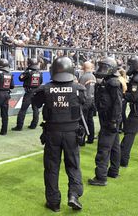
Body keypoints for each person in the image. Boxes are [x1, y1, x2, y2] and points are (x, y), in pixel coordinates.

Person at [31, 56, 86, 212]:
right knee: (73, 165)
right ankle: (74, 195)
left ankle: (54, 202)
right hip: (72, 133)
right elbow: (87, 104)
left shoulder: (45, 89)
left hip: (52, 132)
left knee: (51, 167)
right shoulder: (78, 89)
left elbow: (35, 103)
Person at [88, 57, 123, 186]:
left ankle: (101, 177)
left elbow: (117, 104)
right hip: (110, 119)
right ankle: (113, 171)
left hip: (110, 119)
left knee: (103, 147)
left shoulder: (113, 83)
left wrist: (113, 120)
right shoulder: (108, 81)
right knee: (114, 146)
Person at [13, 57, 43, 131]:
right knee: (35, 109)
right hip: (37, 92)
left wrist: (25, 71)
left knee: (23, 110)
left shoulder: (28, 72)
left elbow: (20, 78)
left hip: (29, 92)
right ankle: (34, 125)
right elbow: (41, 82)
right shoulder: (39, 72)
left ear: (29, 64)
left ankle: (19, 126)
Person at [77, 61, 96, 144]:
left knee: (83, 121)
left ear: (84, 68)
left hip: (85, 101)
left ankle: (82, 140)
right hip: (92, 100)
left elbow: (79, 90)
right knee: (90, 120)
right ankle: (91, 138)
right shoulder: (93, 76)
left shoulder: (83, 77)